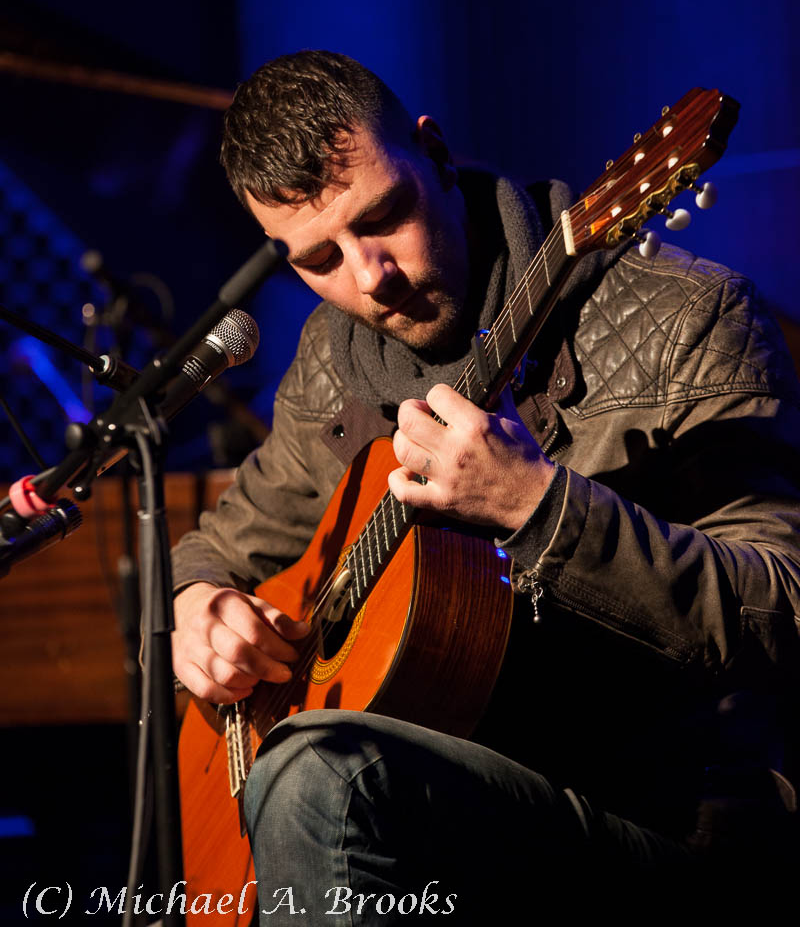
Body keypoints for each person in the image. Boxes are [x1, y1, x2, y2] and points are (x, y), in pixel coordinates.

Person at [171, 51, 800, 921]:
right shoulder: (332, 364)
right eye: (319, 258)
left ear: (435, 152)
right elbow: (219, 547)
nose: (369, 276)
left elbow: (783, 608)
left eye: (383, 216)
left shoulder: (686, 315)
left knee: (323, 771)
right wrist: (197, 605)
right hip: (451, 814)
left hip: (668, 818)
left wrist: (539, 507)